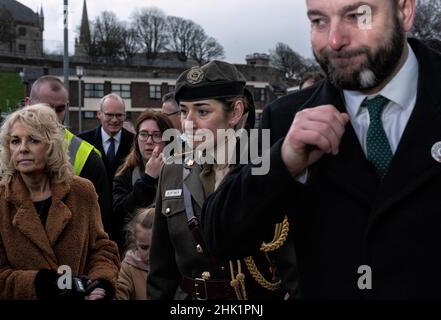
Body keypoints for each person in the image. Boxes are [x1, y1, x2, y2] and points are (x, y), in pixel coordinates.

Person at [200, 0, 441, 299]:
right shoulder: (283, 117)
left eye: (357, 16)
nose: (335, 41)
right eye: (318, 21)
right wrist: (282, 161)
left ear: (404, 11)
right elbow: (219, 235)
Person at [147, 60, 297, 300]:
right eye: (184, 111)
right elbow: (161, 269)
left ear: (236, 112)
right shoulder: (173, 168)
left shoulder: (265, 167)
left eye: (202, 111)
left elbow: (294, 266)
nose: (188, 123)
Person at [0, 104, 120, 300]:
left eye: (33, 140)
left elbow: (102, 249)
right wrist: (44, 284)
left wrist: (100, 283)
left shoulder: (82, 191)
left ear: (51, 145)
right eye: (15, 141)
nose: (23, 148)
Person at [26, 76, 113, 234]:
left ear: (67, 107)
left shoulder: (88, 155)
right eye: (45, 108)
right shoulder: (6, 149)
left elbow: (101, 225)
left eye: (59, 109)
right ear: (28, 104)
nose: (52, 116)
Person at [112, 111, 173, 251]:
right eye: (144, 134)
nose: (149, 141)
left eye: (156, 135)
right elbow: (119, 213)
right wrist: (147, 179)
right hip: (135, 253)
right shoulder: (125, 172)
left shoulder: (182, 169)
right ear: (136, 138)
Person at [79, 93, 135, 182]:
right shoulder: (82, 141)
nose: (114, 120)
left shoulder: (135, 142)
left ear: (124, 115)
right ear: (99, 114)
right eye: (109, 115)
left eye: (119, 115)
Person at [116, 207, 154, 300]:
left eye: (156, 247)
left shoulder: (178, 265)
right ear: (135, 243)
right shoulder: (129, 268)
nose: (150, 254)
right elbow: (119, 293)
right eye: (144, 247)